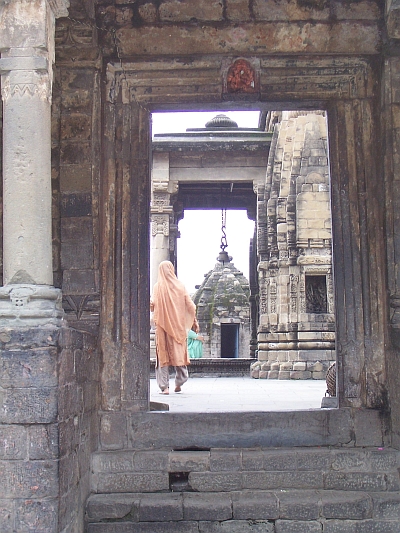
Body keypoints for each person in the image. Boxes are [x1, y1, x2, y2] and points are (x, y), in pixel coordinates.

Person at [150, 260, 196, 395]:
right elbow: (191, 306)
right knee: (179, 353)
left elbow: (152, 305)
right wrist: (192, 321)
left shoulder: (158, 287)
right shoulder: (180, 287)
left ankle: (164, 387)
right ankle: (180, 381)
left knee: (162, 355)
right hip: (178, 327)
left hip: (162, 327)